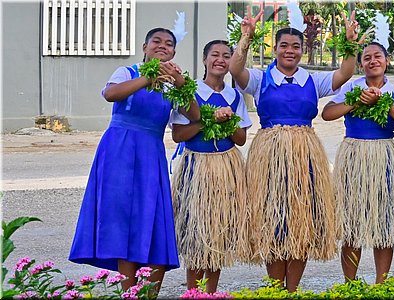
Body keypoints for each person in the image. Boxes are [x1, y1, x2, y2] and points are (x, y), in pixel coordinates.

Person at [228, 9, 359, 292]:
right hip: (269, 154)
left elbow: (345, 73)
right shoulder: (261, 79)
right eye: (284, 46)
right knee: (273, 220)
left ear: (303, 50)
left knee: (301, 222)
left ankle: (292, 291)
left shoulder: (312, 79)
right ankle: (276, 289)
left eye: (296, 46)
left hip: (304, 155)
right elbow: (236, 70)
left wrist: (350, 44)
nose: (290, 51)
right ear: (275, 49)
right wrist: (245, 38)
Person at [70, 27, 199, 292]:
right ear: (145, 47)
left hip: (151, 153)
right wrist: (148, 77)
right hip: (119, 150)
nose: (162, 46)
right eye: (156, 41)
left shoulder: (173, 84)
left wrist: (180, 83)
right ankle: (128, 292)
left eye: (168, 44)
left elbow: (194, 115)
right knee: (122, 220)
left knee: (151, 218)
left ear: (174, 52)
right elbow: (110, 94)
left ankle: (148, 293)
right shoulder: (127, 72)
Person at [322, 42, 394, 284]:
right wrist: (357, 102)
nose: (373, 61)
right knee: (352, 223)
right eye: (367, 58)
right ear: (361, 64)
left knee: (383, 224)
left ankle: (381, 284)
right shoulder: (352, 87)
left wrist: (383, 102)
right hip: (353, 157)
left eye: (378, 56)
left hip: (384, 157)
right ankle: (350, 284)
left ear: (387, 60)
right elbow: (327, 113)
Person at [170, 39, 253, 293]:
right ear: (204, 60)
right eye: (214, 54)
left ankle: (211, 293)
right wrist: (208, 120)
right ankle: (193, 293)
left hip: (226, 168)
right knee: (197, 234)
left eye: (226, 55)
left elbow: (241, 139)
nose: (220, 60)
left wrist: (229, 121)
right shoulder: (191, 92)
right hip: (197, 167)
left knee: (218, 231)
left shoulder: (235, 96)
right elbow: (178, 135)